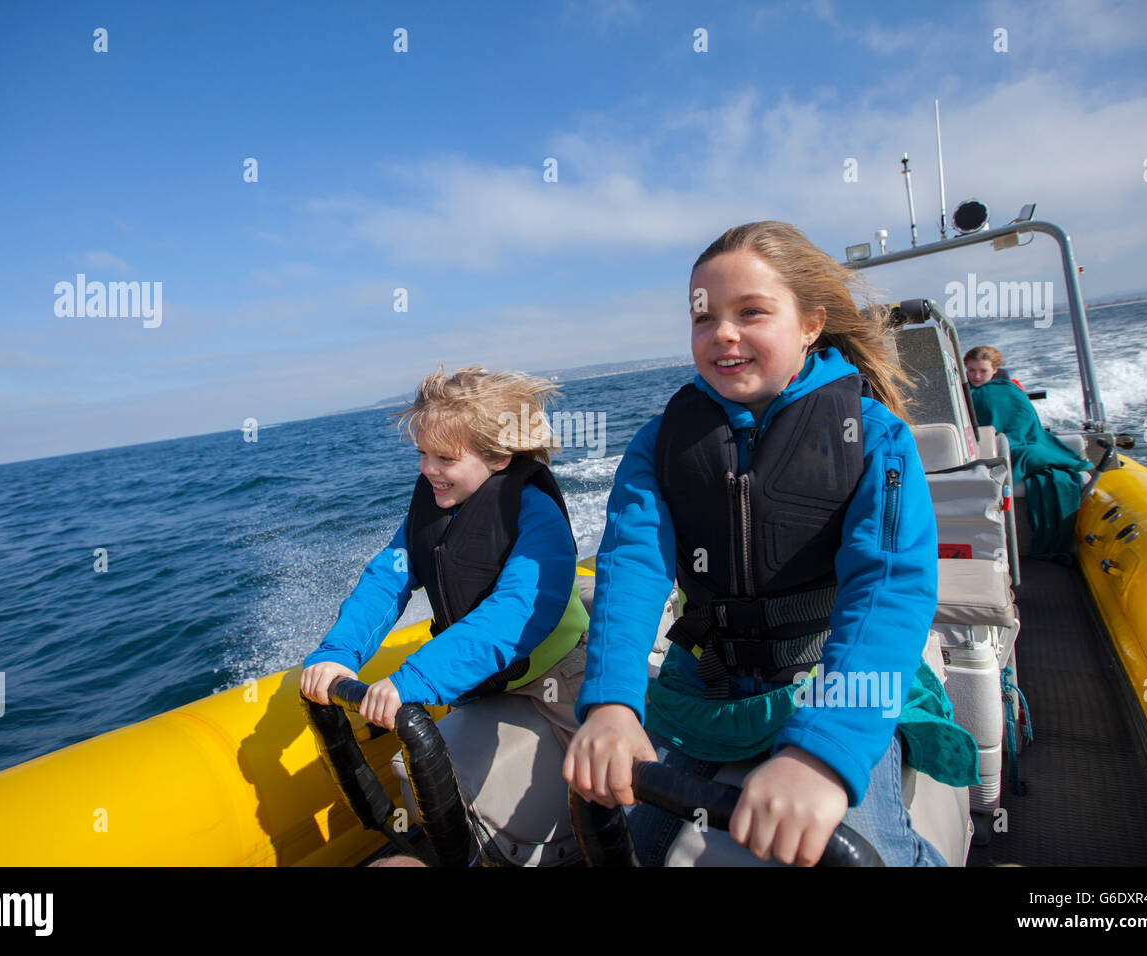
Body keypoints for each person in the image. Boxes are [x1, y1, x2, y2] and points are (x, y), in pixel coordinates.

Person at [563, 221, 978, 867]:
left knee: (876, 855)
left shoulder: (876, 437)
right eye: (704, 318)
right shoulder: (660, 444)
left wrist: (821, 752)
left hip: (835, 686)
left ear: (811, 323)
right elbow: (632, 565)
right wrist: (612, 704)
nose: (722, 332)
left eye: (751, 312)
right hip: (703, 699)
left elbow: (888, 588)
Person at [300, 366, 590, 862]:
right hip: (479, 678)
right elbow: (386, 579)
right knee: (445, 782)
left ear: (498, 456)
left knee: (602, 781)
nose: (427, 469)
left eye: (444, 458)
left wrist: (416, 678)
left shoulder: (534, 513)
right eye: (422, 454)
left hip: (557, 671)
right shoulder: (430, 507)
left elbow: (515, 614)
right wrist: (339, 653)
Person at [964, 345, 1093, 563]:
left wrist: (1013, 440)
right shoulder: (962, 393)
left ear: (994, 370)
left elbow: (1025, 423)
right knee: (1032, 458)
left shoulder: (1008, 390)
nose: (976, 376)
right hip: (990, 449)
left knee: (1035, 454)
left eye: (982, 371)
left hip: (1019, 443)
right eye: (971, 370)